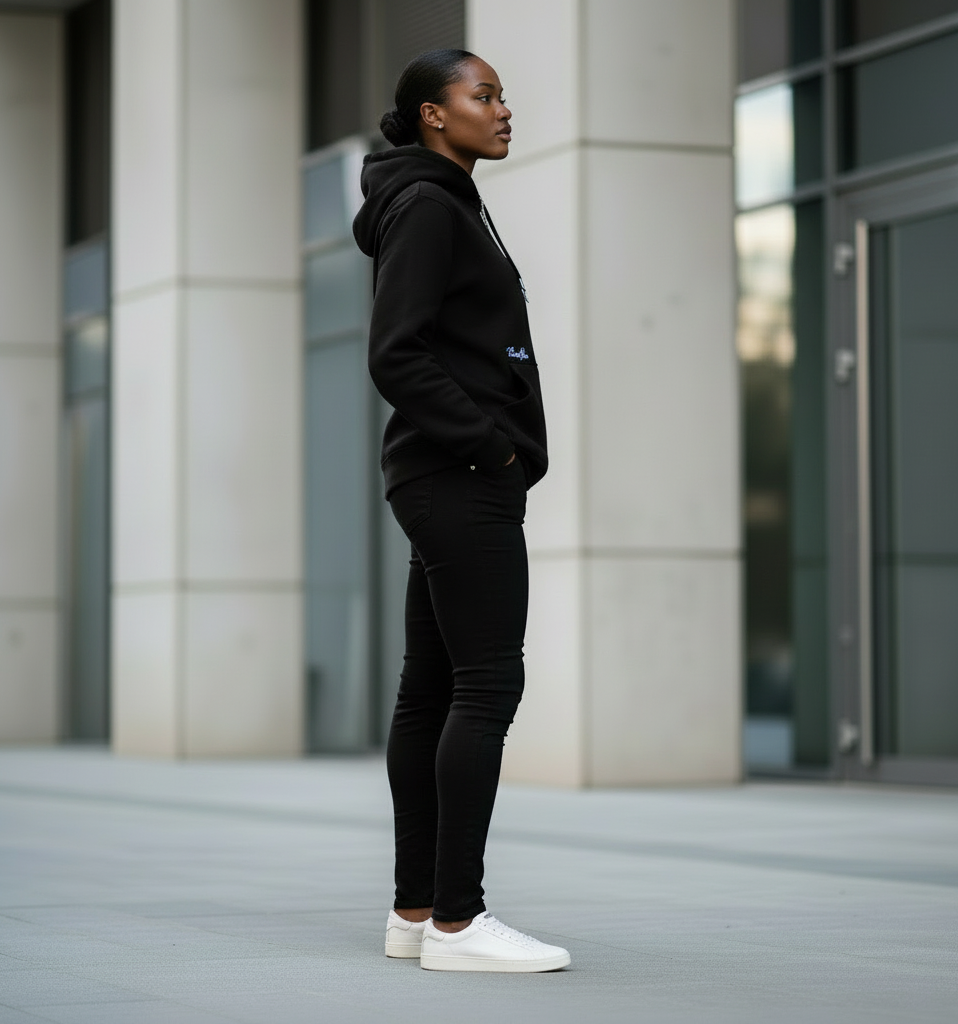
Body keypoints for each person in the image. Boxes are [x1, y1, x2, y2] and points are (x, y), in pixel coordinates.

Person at [352, 48, 569, 974]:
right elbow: (396, 355)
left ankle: (414, 912)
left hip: (445, 473)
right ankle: (458, 922)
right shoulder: (433, 207)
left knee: (431, 689)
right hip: (458, 475)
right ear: (436, 116)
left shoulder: (442, 200)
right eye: (484, 96)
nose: (503, 109)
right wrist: (494, 447)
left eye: (503, 95)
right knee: (488, 685)